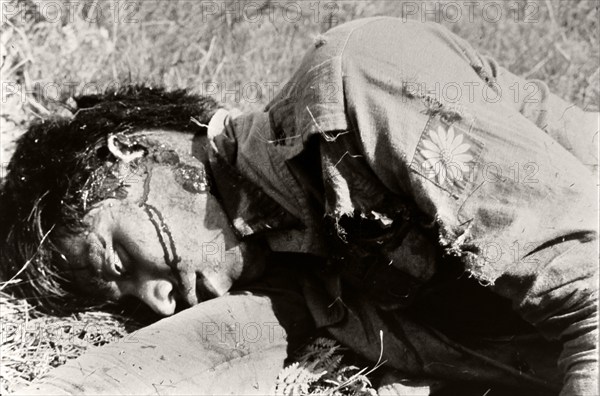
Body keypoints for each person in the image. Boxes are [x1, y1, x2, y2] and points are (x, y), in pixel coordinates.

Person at [1, 17, 597, 396]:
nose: (156, 301)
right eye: (130, 298)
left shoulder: (351, 83)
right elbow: (199, 353)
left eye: (118, 262)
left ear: (135, 151)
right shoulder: (296, 265)